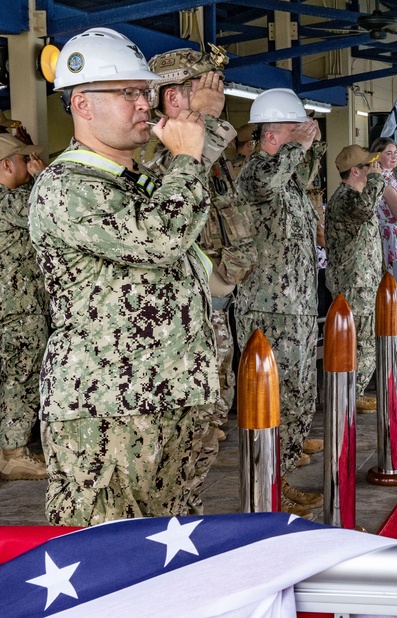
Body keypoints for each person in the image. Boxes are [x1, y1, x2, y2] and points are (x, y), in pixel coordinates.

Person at [28, 27, 217, 526]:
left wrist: (195, 134)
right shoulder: (66, 186)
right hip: (107, 410)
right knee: (106, 566)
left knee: (169, 555)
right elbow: (161, 237)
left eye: (146, 92)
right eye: (128, 93)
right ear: (82, 104)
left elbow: (182, 212)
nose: (144, 105)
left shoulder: (133, 178)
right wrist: (186, 158)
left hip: (168, 398)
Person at [144, 45, 258, 514]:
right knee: (185, 438)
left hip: (211, 311)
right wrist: (206, 123)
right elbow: (164, 216)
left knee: (208, 429)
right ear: (173, 99)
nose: (216, 101)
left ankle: (186, 515)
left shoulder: (205, 156)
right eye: (203, 92)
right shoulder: (156, 154)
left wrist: (225, 282)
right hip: (181, 325)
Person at [235, 87, 325, 517]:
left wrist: (305, 151)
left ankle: (278, 479)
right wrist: (299, 148)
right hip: (268, 309)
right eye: (296, 127)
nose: (307, 133)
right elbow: (266, 181)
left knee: (298, 398)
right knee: (274, 399)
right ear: (272, 135)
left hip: (297, 308)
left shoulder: (287, 181)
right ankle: (266, 492)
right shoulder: (255, 174)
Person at [0, 133, 48, 481]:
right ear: (7, 165)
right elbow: (47, 206)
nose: (27, 166)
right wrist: (41, 176)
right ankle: (13, 454)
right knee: (21, 378)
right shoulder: (10, 201)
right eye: (23, 161)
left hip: (15, 309)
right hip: (17, 312)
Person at [325, 145, 385, 414]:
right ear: (356, 171)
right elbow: (365, 210)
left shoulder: (350, 197)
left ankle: (352, 392)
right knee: (362, 341)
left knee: (358, 340)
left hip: (360, 280)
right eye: (369, 166)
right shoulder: (347, 199)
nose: (375, 169)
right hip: (354, 282)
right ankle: (353, 393)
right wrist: (376, 179)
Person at [370, 137, 397, 279]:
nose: (394, 156)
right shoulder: (384, 181)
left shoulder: (384, 178)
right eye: (389, 153)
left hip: (391, 230)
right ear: (377, 156)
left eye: (395, 152)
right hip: (391, 234)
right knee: (395, 277)